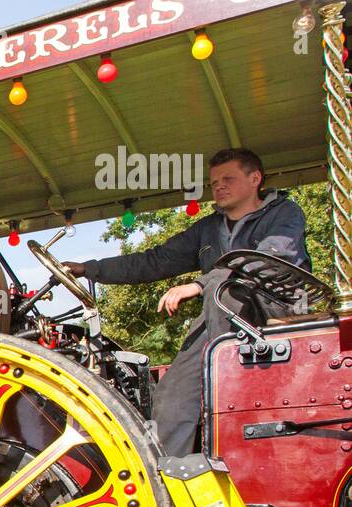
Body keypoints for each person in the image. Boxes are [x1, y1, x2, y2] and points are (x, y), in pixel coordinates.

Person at [62, 148, 309, 456]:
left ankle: (228, 387)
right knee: (171, 393)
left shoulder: (284, 213)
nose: (218, 186)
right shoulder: (208, 228)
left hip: (276, 316)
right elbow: (155, 260)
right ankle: (171, 483)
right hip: (222, 319)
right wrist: (90, 269)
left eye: (228, 178)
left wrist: (200, 283)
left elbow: (270, 259)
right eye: (214, 181)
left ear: (255, 179)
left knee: (223, 285)